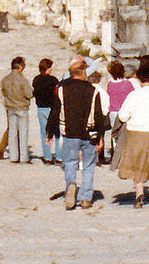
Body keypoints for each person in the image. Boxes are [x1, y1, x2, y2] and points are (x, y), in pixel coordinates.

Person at [45, 56, 107, 210]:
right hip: (89, 133)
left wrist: (49, 132)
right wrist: (100, 136)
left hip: (69, 132)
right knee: (88, 166)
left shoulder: (61, 90)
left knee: (71, 163)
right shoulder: (93, 91)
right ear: (81, 73)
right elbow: (99, 115)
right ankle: (86, 197)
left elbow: (55, 111)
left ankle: (71, 185)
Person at [114, 56, 149, 207]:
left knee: (137, 161)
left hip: (137, 131)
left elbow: (123, 115)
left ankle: (139, 193)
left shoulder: (134, 95)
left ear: (139, 79)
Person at [0, 56, 33, 164]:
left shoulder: (5, 79)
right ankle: (23, 157)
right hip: (22, 107)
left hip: (10, 108)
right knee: (23, 133)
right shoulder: (22, 79)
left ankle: (13, 157)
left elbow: (3, 92)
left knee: (12, 133)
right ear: (20, 67)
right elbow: (29, 94)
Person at [32, 57, 61, 165]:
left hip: (41, 108)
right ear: (48, 68)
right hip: (52, 108)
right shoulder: (54, 80)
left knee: (44, 133)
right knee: (57, 133)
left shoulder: (36, 79)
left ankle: (47, 157)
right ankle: (59, 156)